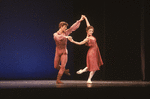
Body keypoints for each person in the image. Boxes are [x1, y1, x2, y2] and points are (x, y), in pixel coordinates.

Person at [68, 15, 103, 83]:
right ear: (87, 31)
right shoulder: (87, 38)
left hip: (95, 52)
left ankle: (83, 71)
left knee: (93, 67)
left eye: (92, 31)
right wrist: (72, 41)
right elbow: (80, 43)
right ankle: (88, 79)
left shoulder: (91, 35)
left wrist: (86, 18)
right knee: (93, 67)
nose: (91, 32)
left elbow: (88, 26)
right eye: (90, 31)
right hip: (91, 52)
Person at [53, 15, 84, 84]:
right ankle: (65, 71)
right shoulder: (55, 34)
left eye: (66, 27)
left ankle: (58, 80)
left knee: (63, 66)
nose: (66, 28)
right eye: (65, 27)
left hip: (64, 52)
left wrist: (80, 20)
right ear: (61, 27)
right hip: (58, 51)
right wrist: (66, 37)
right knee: (55, 66)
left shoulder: (66, 32)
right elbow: (58, 38)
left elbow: (72, 28)